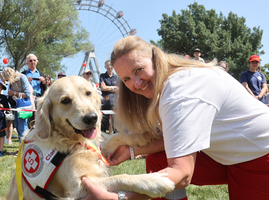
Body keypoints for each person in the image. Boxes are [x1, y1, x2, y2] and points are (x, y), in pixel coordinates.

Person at [81, 36, 269, 200]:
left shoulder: (179, 90)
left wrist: (120, 197)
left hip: (259, 156)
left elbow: (181, 174)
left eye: (138, 70)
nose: (136, 84)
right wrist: (131, 150)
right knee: (157, 161)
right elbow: (174, 140)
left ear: (155, 58)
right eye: (126, 79)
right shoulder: (169, 84)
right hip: (229, 156)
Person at [0, 68, 31, 145]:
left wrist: (14, 93)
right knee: (17, 127)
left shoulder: (22, 77)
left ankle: (24, 149)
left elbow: (28, 94)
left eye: (6, 78)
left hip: (24, 106)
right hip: (17, 106)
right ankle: (21, 148)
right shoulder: (12, 81)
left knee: (22, 128)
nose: (6, 80)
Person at [99, 60, 118, 134]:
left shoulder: (116, 77)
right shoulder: (102, 76)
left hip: (115, 102)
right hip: (105, 102)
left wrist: (108, 87)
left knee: (116, 124)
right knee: (104, 123)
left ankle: (117, 140)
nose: (109, 67)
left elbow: (119, 89)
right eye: (108, 65)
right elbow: (103, 88)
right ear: (105, 67)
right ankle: (102, 141)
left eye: (111, 65)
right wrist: (114, 88)